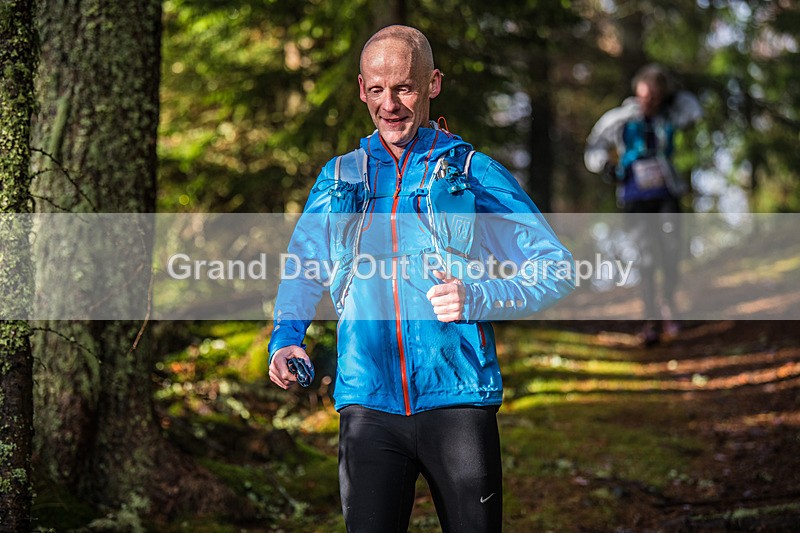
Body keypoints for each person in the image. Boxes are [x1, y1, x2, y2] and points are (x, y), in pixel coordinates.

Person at [268, 25, 573, 532]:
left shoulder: (470, 172)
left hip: (458, 400)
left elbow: (555, 267)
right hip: (366, 405)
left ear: (432, 84)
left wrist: (480, 295)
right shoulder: (340, 177)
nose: (390, 104)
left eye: (404, 88)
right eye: (377, 90)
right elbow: (303, 265)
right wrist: (286, 339)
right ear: (362, 88)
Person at [584, 64, 702, 345]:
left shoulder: (671, 114)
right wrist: (606, 167)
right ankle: (650, 320)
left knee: (673, 251)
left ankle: (668, 304)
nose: (647, 102)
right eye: (644, 96)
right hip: (635, 200)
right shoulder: (620, 118)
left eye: (654, 96)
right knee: (646, 258)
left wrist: (672, 95)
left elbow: (694, 110)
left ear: (662, 96)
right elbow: (593, 147)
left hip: (666, 195)